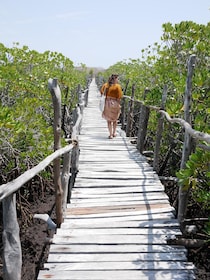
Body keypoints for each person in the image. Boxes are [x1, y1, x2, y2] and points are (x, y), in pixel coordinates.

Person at [100, 74, 123, 139]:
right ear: (115, 79)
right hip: (115, 103)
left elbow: (101, 92)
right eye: (117, 79)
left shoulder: (105, 85)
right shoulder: (117, 86)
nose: (118, 80)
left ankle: (110, 134)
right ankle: (114, 133)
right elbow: (119, 96)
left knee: (109, 120)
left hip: (107, 104)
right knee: (115, 120)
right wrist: (118, 104)